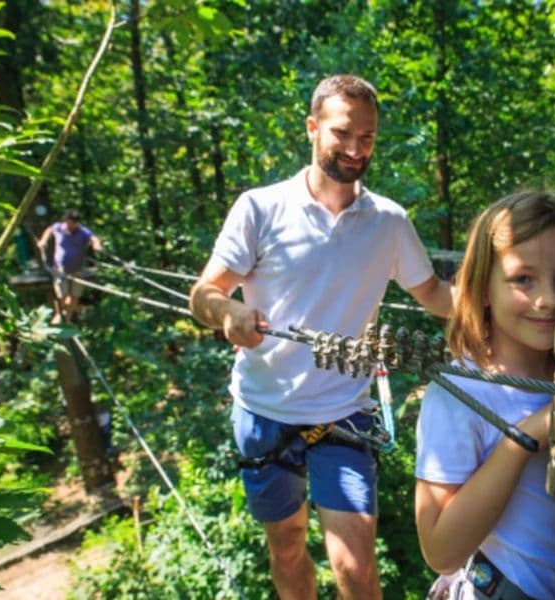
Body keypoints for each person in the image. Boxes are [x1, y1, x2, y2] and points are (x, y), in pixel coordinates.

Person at [190, 74, 452, 599]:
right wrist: (227, 313)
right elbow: (203, 292)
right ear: (312, 128)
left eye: (368, 137)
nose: (356, 149)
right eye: (342, 134)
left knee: (355, 567)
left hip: (343, 414)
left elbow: (440, 299)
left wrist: (514, 300)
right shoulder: (260, 209)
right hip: (264, 413)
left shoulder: (389, 223)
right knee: (286, 545)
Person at [414, 191, 555, 600]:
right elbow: (441, 551)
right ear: (483, 287)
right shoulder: (460, 394)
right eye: (522, 280)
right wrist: (525, 436)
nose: (548, 299)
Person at [37, 209, 102, 323]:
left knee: (74, 296)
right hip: (60, 269)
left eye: (74, 223)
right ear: (66, 221)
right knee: (62, 296)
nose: (72, 225)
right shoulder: (58, 228)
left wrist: (96, 245)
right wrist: (43, 241)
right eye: (70, 223)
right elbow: (49, 230)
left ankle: (66, 319)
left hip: (77, 270)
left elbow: (93, 238)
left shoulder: (83, 232)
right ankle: (60, 315)